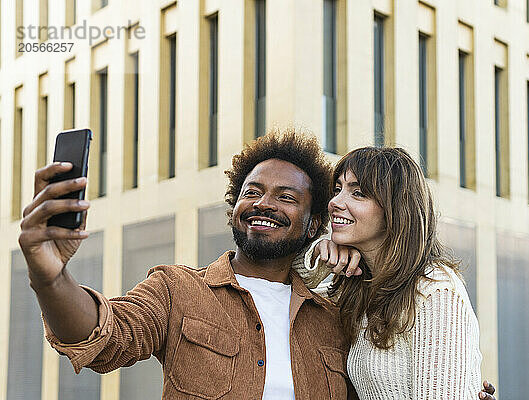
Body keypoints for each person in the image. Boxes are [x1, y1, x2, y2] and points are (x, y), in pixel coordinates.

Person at [18, 130, 495, 399]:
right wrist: (51, 277)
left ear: (313, 222)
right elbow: (100, 337)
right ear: (233, 209)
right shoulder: (177, 292)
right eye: (251, 192)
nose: (264, 203)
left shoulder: (337, 313)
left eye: (287, 197)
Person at [294, 146, 489, 399]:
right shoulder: (361, 286)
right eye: (338, 189)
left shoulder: (435, 290)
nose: (335, 202)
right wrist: (320, 255)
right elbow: (282, 280)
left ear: (394, 210)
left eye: (358, 193)